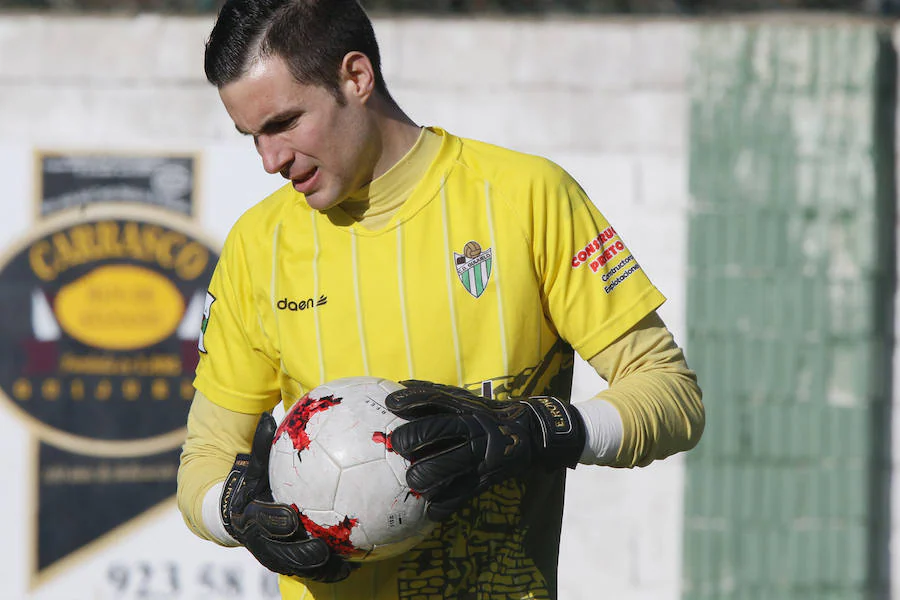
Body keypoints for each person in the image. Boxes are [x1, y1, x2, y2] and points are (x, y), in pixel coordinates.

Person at [176, 0, 705, 598]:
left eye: (284, 123)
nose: (270, 160)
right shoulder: (258, 245)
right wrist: (235, 515)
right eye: (252, 137)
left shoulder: (527, 198)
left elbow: (670, 393)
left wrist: (537, 429)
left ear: (356, 77)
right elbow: (205, 461)